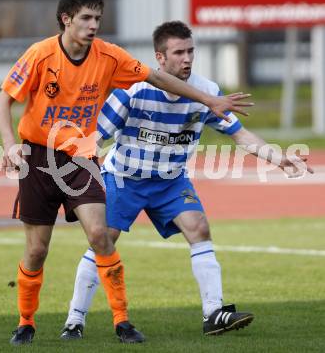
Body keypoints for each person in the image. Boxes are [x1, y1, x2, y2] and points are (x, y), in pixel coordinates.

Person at [0, 0, 253, 346]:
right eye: (86, 17)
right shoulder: (40, 54)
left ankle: (122, 321)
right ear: (66, 19)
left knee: (101, 235)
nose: (94, 24)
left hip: (81, 157)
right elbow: (2, 100)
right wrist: (9, 145)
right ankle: (26, 322)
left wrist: (210, 100)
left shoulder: (109, 56)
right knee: (37, 250)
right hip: (37, 158)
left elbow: (158, 77)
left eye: (98, 17)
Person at [61, 20, 313, 339]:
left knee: (199, 228)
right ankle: (75, 319)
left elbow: (240, 135)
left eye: (191, 51)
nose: (187, 58)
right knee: (103, 240)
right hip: (124, 179)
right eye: (179, 52)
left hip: (170, 182)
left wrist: (279, 158)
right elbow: (93, 138)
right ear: (160, 58)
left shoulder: (206, 93)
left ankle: (213, 314)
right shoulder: (132, 90)